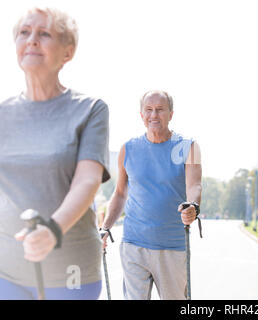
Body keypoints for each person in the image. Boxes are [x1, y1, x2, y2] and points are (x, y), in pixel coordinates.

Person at [0, 7, 110, 300]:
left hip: (70, 269)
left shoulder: (90, 110)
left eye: (44, 34)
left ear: (67, 52)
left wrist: (52, 230)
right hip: (7, 271)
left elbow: (88, 181)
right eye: (24, 32)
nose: (32, 40)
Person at [101, 90, 202, 300]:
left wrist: (193, 206)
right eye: (148, 110)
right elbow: (120, 194)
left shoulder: (188, 147)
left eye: (160, 110)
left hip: (172, 246)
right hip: (134, 244)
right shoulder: (128, 149)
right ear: (141, 115)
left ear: (171, 114)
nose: (154, 115)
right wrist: (105, 228)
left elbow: (195, 186)